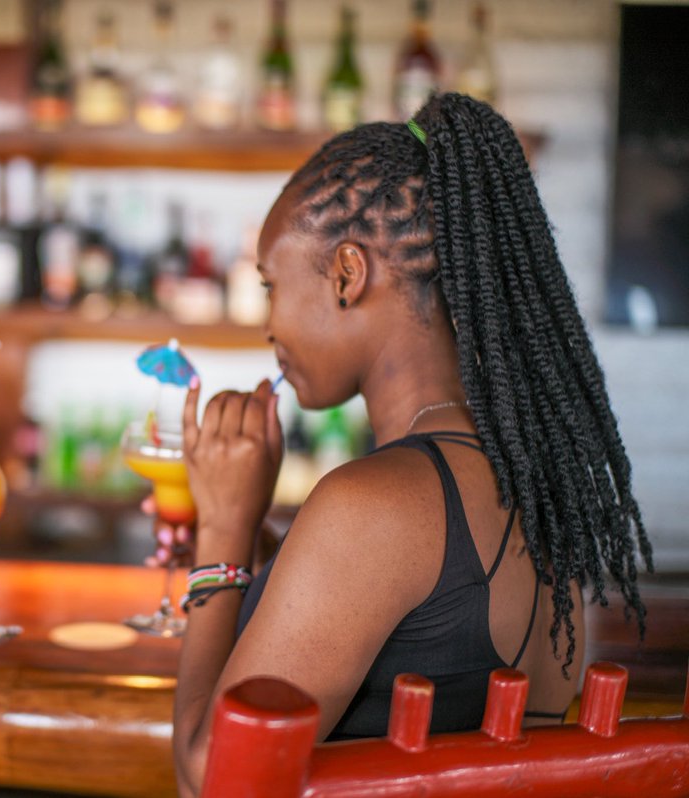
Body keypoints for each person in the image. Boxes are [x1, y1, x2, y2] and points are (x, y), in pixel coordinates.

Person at [169, 93, 651, 795]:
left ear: (347, 274)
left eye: (272, 285)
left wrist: (220, 528)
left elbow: (208, 776)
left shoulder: (374, 506)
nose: (267, 326)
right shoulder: (530, 489)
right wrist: (256, 527)